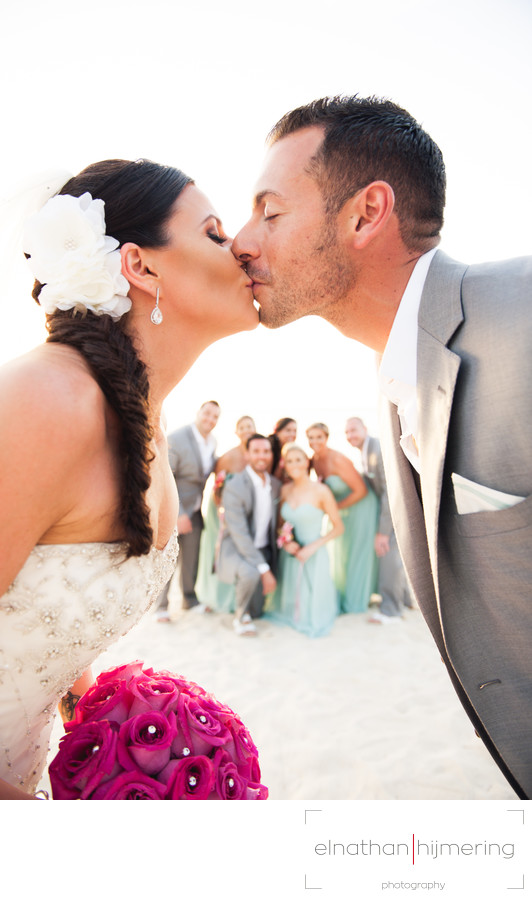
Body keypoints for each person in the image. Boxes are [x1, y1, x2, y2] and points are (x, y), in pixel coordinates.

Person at [233, 95, 532, 799]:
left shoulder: (522, 315)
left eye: (269, 211)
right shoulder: (392, 373)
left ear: (366, 214)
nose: (243, 241)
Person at [0, 157, 258, 798]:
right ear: (141, 266)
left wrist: (131, 736)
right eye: (216, 234)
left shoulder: (141, 415)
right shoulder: (46, 399)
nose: (245, 249)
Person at [267, 443, 343, 637]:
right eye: (289, 461)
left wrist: (312, 547)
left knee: (312, 609)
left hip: (314, 555)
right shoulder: (284, 490)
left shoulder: (321, 491)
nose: (294, 464)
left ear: (306, 461)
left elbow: (338, 527)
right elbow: (280, 524)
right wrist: (286, 541)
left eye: (298, 459)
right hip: (291, 555)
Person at [155, 400, 220, 620]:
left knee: (192, 558)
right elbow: (166, 477)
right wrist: (179, 513)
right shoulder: (177, 438)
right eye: (207, 413)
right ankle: (161, 606)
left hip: (195, 510)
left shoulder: (212, 442)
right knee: (169, 559)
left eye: (215, 417)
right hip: (174, 509)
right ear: (198, 412)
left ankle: (189, 600)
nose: (210, 419)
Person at [345, 416, 412, 623]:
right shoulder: (365, 451)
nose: (350, 435)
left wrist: (383, 531)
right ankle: (407, 601)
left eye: (354, 430)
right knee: (394, 560)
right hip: (389, 512)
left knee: (388, 558)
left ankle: (391, 610)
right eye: (347, 432)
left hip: (394, 512)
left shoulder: (378, 450)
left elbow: (389, 493)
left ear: (365, 428)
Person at [306, 422, 377, 614]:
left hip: (361, 507)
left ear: (326, 437)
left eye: (319, 437)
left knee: (356, 554)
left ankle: (356, 601)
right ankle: (342, 596)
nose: (315, 441)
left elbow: (361, 491)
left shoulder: (337, 459)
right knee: (340, 553)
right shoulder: (314, 460)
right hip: (342, 511)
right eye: (311, 438)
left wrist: (334, 509)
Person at [216, 434, 280, 636]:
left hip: (264, 548)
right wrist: (264, 570)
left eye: (266, 451)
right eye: (256, 451)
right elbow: (240, 534)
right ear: (247, 454)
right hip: (236, 547)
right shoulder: (234, 486)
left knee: (259, 611)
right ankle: (240, 617)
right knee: (251, 572)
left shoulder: (276, 485)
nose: (262, 456)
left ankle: (250, 610)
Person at [196, 415, 256, 612]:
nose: (247, 429)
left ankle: (235, 598)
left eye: (250, 426)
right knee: (218, 549)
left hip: (243, 511)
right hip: (221, 511)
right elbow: (217, 488)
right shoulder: (228, 457)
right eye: (243, 427)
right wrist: (222, 511)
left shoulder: (257, 454)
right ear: (236, 432)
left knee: (238, 550)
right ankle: (213, 598)